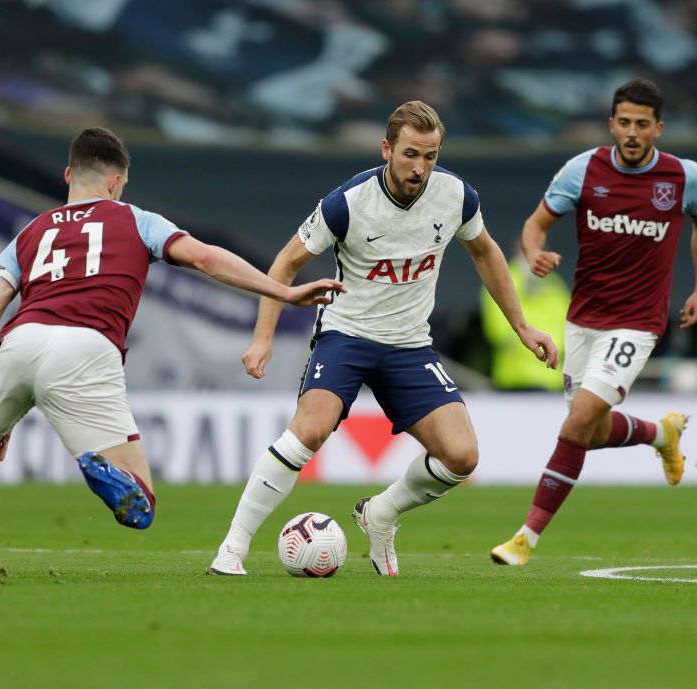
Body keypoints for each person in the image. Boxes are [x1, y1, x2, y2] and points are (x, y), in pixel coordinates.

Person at [0, 127, 343, 579]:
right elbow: (204, 257)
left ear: (68, 173)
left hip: (20, 341)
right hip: (86, 348)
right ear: (116, 182)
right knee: (141, 503)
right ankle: (102, 468)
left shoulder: (30, 232)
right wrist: (284, 293)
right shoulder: (136, 220)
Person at [208, 100, 558, 577]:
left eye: (431, 156)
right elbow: (286, 263)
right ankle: (232, 549)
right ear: (387, 148)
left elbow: (486, 252)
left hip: (410, 345)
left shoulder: (455, 196)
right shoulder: (346, 203)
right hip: (346, 336)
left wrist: (522, 326)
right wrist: (262, 338)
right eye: (411, 154)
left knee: (461, 456)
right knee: (309, 431)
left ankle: (381, 514)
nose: (420, 168)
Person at [490, 78, 697, 566]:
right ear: (611, 124)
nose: (633, 133)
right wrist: (534, 254)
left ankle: (525, 539)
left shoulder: (684, 177)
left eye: (642, 124)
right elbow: (535, 224)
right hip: (584, 320)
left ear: (658, 127)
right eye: (624, 123)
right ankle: (662, 435)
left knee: (575, 425)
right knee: (590, 433)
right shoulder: (582, 170)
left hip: (637, 324)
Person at [481, 240, 570, 391]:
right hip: (514, 380)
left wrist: (555, 346)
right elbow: (497, 332)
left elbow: (569, 328)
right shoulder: (500, 282)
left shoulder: (555, 285)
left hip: (552, 380)